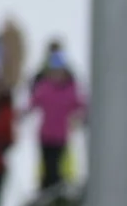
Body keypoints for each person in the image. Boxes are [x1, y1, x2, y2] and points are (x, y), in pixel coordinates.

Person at [27, 44, 88, 191]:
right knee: (47, 167)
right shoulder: (45, 87)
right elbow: (33, 103)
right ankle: (46, 191)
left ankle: (55, 191)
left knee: (58, 167)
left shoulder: (70, 89)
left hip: (61, 135)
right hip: (45, 135)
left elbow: (81, 104)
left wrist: (83, 116)